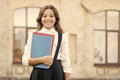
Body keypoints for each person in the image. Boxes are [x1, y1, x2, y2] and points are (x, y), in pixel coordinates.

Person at [22, 5, 71, 80]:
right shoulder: (34, 35)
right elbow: (25, 60)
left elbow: (66, 62)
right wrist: (41, 60)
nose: (48, 18)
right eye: (44, 16)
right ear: (41, 19)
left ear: (56, 19)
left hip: (56, 75)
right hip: (38, 75)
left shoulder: (62, 37)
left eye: (51, 16)